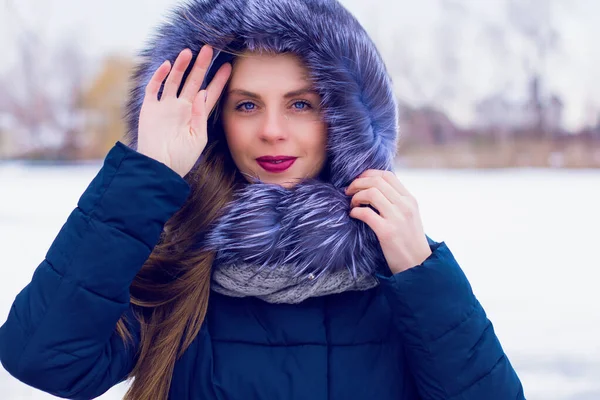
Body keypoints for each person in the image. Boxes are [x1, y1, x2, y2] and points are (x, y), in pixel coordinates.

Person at [0, 0, 525, 399]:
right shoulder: (176, 261)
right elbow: (41, 358)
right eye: (246, 104)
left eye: (301, 103)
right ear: (212, 118)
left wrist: (421, 273)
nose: (272, 131)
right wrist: (146, 175)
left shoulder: (400, 264)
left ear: (350, 118)